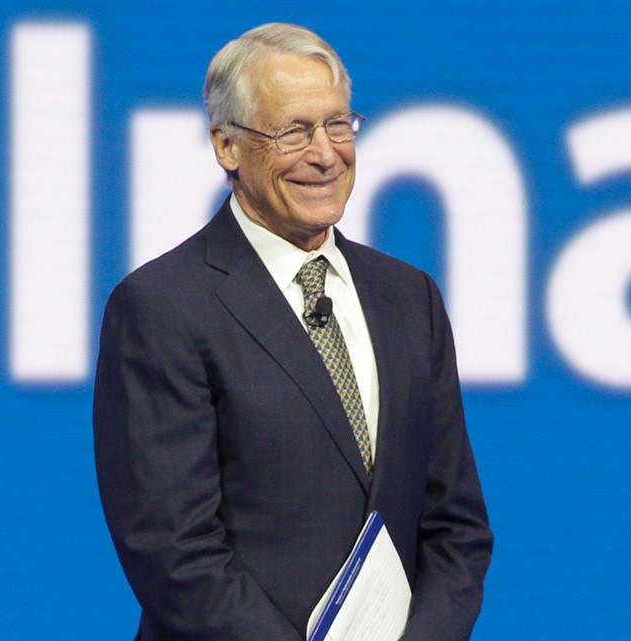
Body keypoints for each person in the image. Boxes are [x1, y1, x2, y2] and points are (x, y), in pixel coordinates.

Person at [94, 22, 493, 641]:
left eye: (338, 124)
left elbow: (456, 527)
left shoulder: (409, 297)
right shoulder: (163, 307)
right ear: (227, 146)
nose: (326, 153)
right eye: (293, 131)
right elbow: (174, 553)